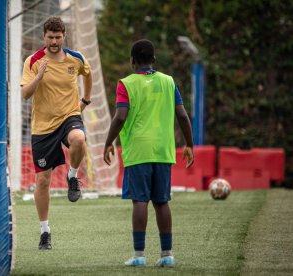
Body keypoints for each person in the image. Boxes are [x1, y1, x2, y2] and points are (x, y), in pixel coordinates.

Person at [103, 39, 194, 268]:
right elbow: (182, 116)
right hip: (163, 150)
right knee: (162, 201)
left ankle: (139, 255)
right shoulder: (168, 81)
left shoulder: (126, 84)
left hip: (138, 150)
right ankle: (167, 254)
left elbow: (120, 116)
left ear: (132, 61)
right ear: (153, 60)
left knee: (140, 201)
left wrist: (109, 142)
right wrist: (189, 145)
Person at [20, 16, 93, 250]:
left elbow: (88, 74)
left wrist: (86, 100)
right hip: (43, 128)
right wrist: (39, 76)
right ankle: (45, 232)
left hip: (69, 116)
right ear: (44, 37)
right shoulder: (33, 61)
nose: (54, 41)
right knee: (42, 181)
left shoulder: (76, 58)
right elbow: (25, 95)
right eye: (50, 37)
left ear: (64, 37)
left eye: (58, 37)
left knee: (79, 139)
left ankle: (73, 176)